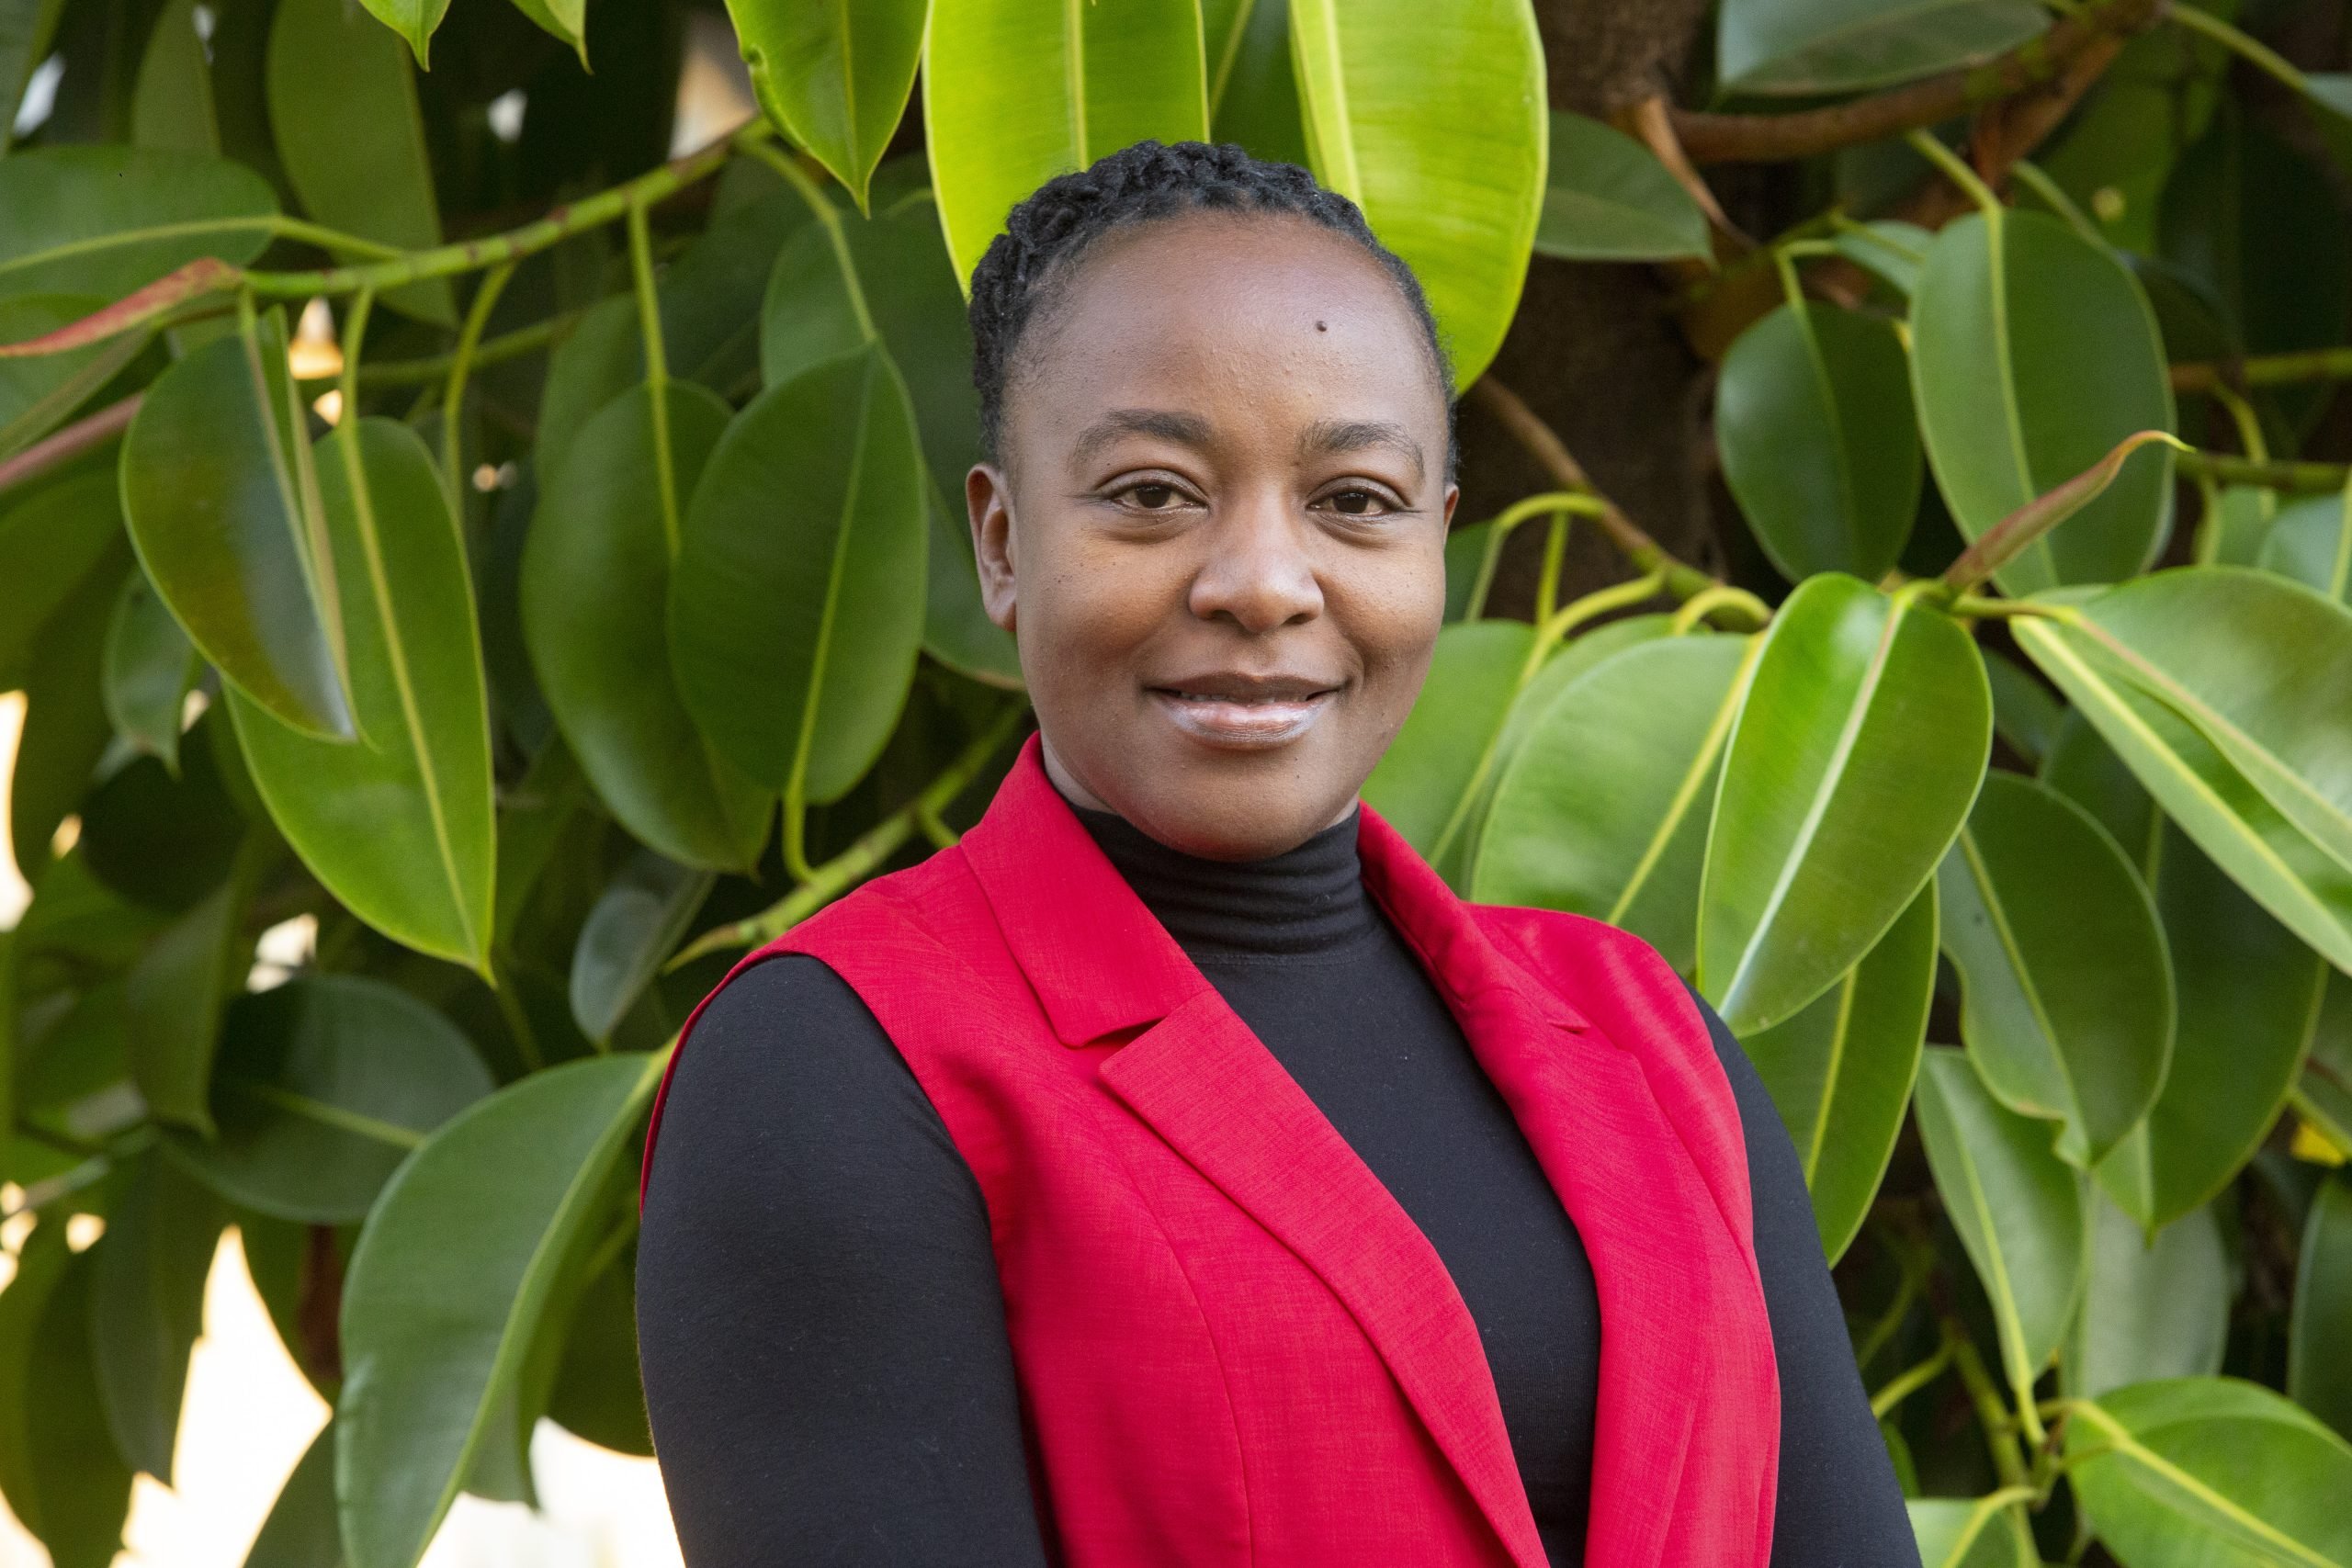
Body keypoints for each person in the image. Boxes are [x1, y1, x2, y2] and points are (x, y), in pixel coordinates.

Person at [635, 140, 1917, 1567]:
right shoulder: (843, 1060)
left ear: (1436, 540)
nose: (1261, 581)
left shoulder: (1652, 1043)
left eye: (1353, 501)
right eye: (1152, 492)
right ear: (1002, 544)